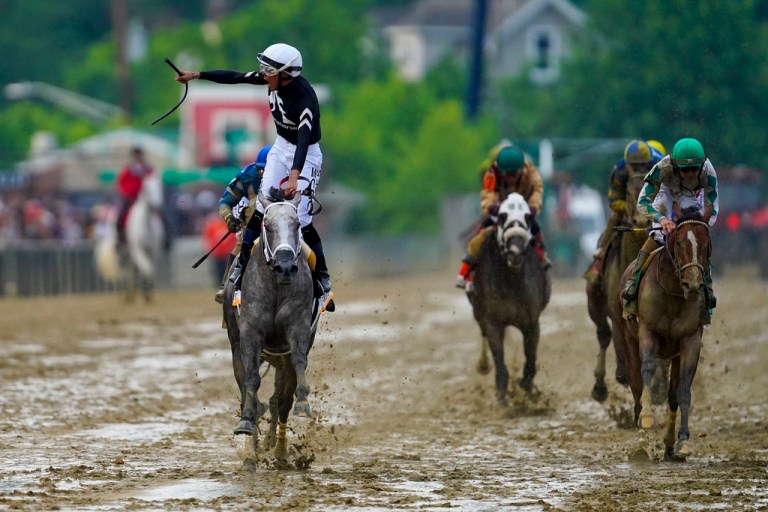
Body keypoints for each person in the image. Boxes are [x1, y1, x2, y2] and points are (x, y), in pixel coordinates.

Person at [175, 43, 332, 307]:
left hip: (306, 155)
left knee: (302, 219)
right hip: (281, 146)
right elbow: (236, 77)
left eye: (268, 71)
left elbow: (304, 141)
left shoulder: (305, 99)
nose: (263, 75)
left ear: (286, 75)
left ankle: (322, 279)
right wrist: (197, 75)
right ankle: (239, 270)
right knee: (261, 207)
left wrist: (294, 176)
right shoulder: (274, 80)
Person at [620, 137, 719, 325]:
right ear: (675, 166)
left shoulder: (708, 170)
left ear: (702, 165)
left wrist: (700, 226)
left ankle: (708, 295)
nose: (690, 174)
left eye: (694, 169)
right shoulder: (663, 168)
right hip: (665, 191)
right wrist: (662, 219)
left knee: (697, 242)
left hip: (692, 196)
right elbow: (643, 202)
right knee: (658, 234)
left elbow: (712, 205)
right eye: (685, 169)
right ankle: (632, 286)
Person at [456, 145, 550, 289]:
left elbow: (537, 190)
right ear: (500, 170)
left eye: (515, 173)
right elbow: (488, 192)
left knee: (535, 229)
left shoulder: (531, 172)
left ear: (522, 169)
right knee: (483, 231)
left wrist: (533, 207)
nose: (511, 178)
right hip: (500, 208)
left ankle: (541, 254)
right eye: (507, 174)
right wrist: (491, 206)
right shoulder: (492, 174)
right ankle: (467, 266)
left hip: (523, 207)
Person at [583, 139, 657, 283]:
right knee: (614, 217)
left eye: (643, 165)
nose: (639, 170)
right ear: (627, 164)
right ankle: (601, 255)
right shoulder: (619, 171)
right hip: (627, 206)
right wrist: (629, 209)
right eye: (635, 166)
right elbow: (613, 200)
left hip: (651, 206)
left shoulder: (657, 167)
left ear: (649, 163)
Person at [211, 145, 271, 303]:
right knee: (240, 246)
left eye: (268, 170)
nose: (263, 174)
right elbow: (225, 202)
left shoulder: (290, 176)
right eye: (261, 170)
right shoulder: (246, 176)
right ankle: (226, 286)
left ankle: (318, 282)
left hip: (281, 228)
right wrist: (229, 219)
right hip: (252, 229)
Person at [116, 147, 154, 245]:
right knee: (121, 213)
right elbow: (121, 184)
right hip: (131, 198)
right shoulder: (127, 170)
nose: (138, 157)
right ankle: (120, 236)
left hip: (146, 198)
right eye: (136, 155)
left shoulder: (148, 169)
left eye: (139, 155)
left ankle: (167, 239)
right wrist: (132, 191)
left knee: (162, 213)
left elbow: (153, 183)